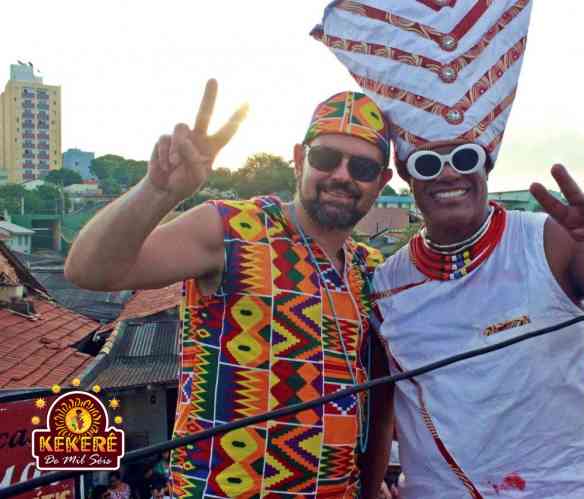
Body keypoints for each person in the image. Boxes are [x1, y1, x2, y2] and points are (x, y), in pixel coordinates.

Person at [314, 1, 584, 496]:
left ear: (487, 163)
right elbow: (381, 415)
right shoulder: (385, 284)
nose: (448, 173)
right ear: (406, 176)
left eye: (464, 157)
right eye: (426, 163)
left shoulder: (547, 243)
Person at [65, 81, 396, 498]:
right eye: (326, 158)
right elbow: (89, 271)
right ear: (299, 159)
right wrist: (158, 192)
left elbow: (381, 399)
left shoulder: (371, 271)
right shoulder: (231, 229)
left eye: (362, 168)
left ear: (381, 182)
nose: (342, 176)